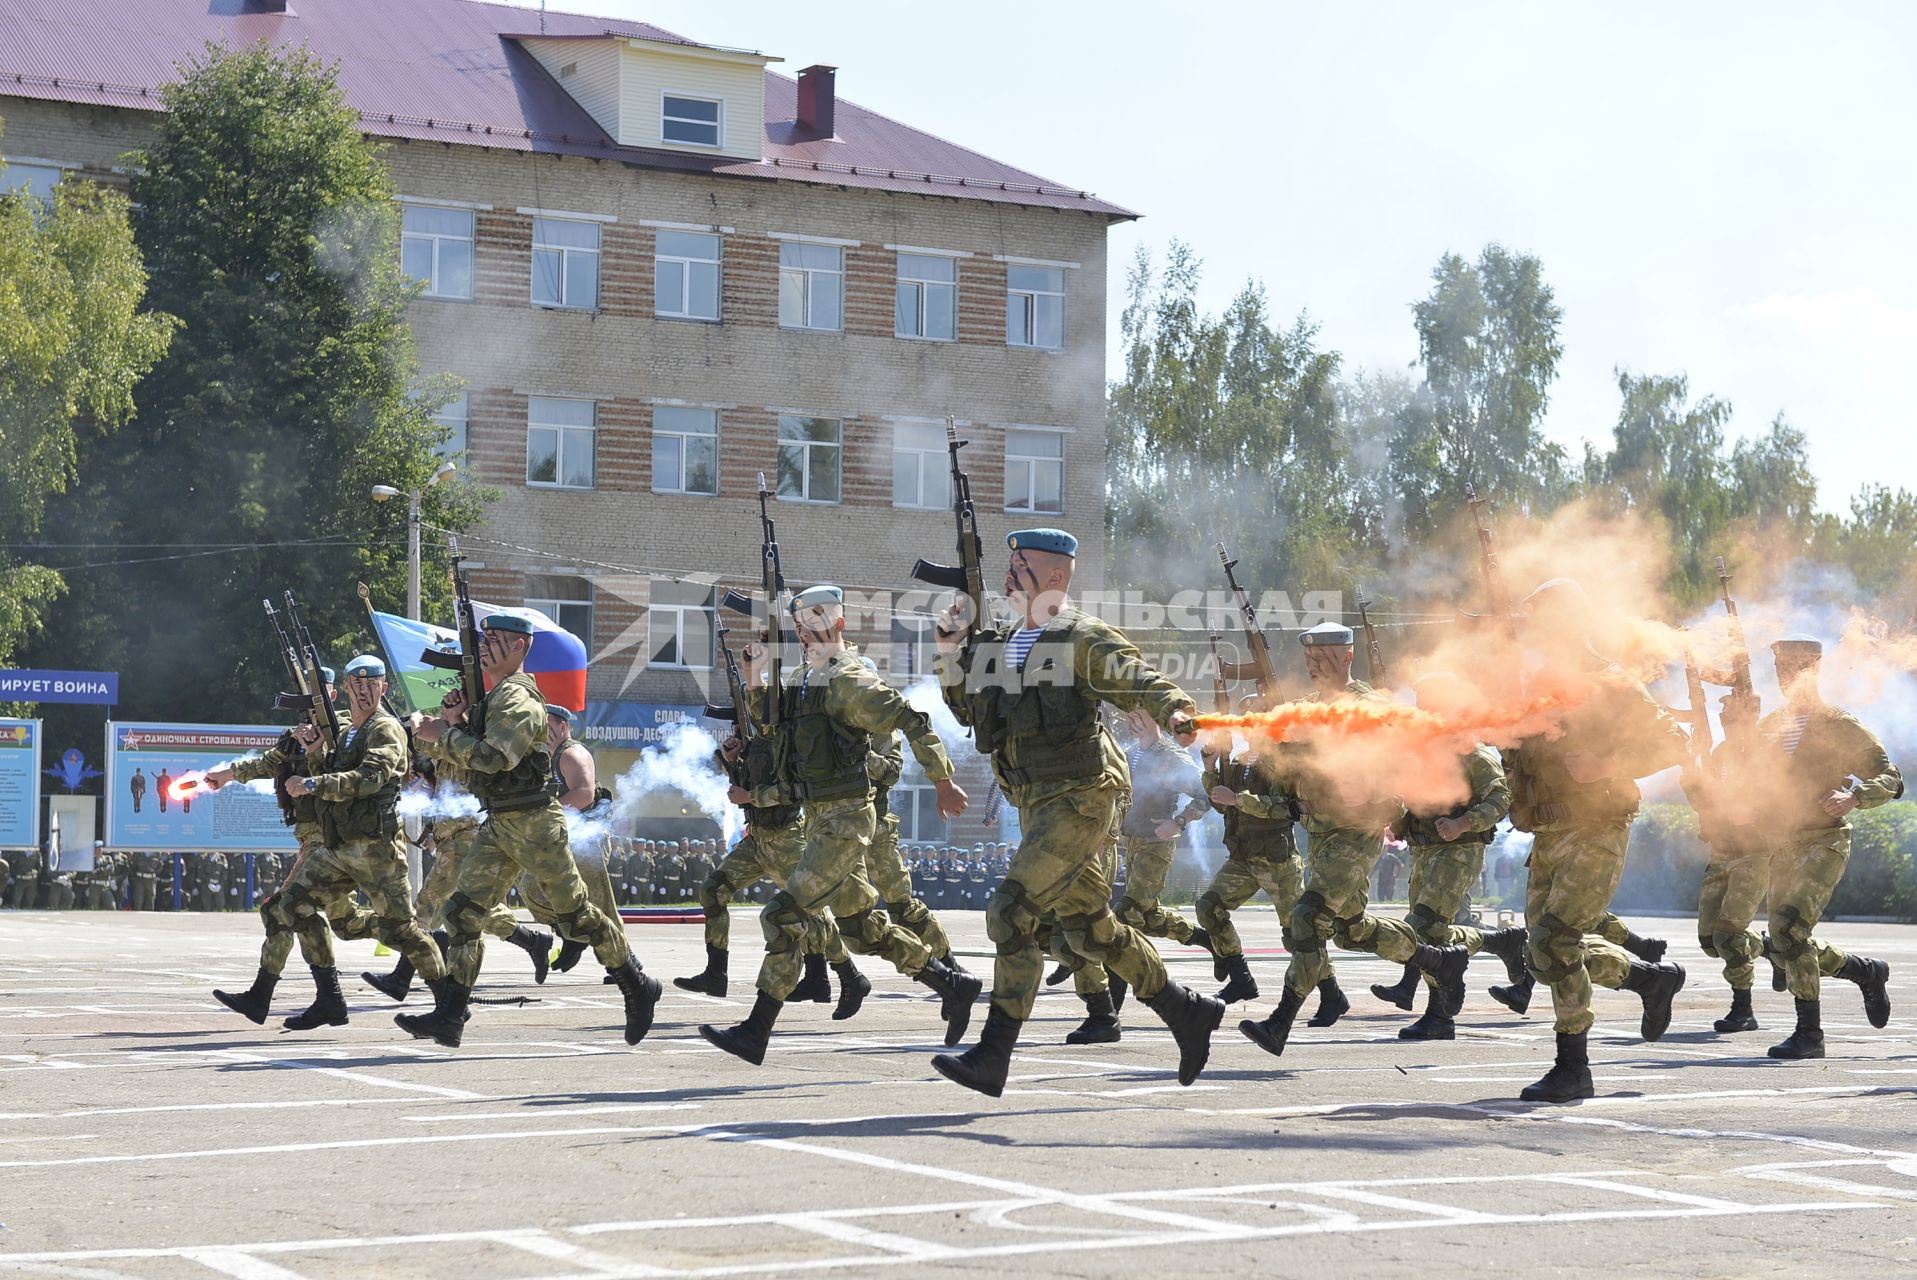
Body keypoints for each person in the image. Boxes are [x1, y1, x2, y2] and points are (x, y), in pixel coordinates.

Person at [929, 528, 1225, 1097]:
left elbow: (1135, 677)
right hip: (1038, 801)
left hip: (1083, 796)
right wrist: (949, 652)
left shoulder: (1078, 637)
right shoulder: (1005, 641)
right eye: (1010, 565)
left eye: (1024, 566)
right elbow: (969, 708)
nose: (1011, 574)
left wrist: (1177, 711)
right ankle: (1186, 1011)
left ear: (1058, 578)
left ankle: (994, 1054)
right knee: (1092, 930)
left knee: (1011, 911)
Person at [699, 585, 980, 1064]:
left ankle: (756, 1030)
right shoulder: (806, 679)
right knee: (862, 930)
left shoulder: (849, 679)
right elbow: (770, 732)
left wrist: (942, 781)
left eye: (816, 624)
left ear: (840, 624)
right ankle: (952, 984)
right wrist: (753, 676)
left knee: (781, 914)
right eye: (801, 626)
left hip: (847, 823)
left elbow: (912, 719)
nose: (806, 634)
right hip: (820, 821)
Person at [400, 615, 657, 1048]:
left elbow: (495, 757)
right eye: (484, 639)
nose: (484, 646)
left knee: (576, 916)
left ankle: (637, 983)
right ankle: (450, 1015)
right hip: (501, 820)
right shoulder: (495, 696)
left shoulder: (517, 698)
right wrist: (458, 720)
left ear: (520, 648)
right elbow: (474, 757)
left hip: (535, 823)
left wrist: (443, 734)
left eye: (495, 640)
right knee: (461, 914)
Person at [1497, 580, 1692, 1103]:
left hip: (1597, 829)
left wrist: (1610, 765)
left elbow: (1676, 740)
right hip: (1550, 835)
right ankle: (1648, 980)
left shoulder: (1613, 684)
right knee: (1544, 951)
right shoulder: (1538, 690)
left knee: (1556, 941)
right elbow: (1518, 761)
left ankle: (1573, 1066)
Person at [1239, 624, 1462, 1059]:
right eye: (1309, 655)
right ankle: (1438, 961)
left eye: (1322, 653)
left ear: (1346, 656)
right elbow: (1276, 760)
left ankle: (1280, 1021)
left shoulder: (1373, 705)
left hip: (1356, 831)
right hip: (1319, 832)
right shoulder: (1300, 708)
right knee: (1350, 930)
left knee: (1307, 916)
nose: (1313, 661)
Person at [212, 655, 448, 1031]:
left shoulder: (384, 728)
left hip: (376, 848)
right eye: (358, 683)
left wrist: (312, 782)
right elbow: (296, 765)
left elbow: (369, 779)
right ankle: (286, 997)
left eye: (373, 684)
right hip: (337, 847)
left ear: (383, 689)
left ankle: (449, 1007)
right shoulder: (341, 730)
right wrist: (313, 753)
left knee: (398, 931)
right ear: (348, 689)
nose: (364, 690)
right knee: (285, 910)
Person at [1753, 636, 1900, 1059]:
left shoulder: (1839, 724)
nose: (1785, 678)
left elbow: (1891, 777)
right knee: (1784, 939)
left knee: (1789, 930)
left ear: (1814, 670)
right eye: (1780, 670)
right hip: (1782, 842)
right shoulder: (1773, 725)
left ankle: (1810, 1034)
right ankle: (1865, 972)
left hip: (1824, 838)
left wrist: (1855, 797)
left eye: (1794, 669)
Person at [1366, 671, 1528, 1041]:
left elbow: (1500, 797)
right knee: (1434, 936)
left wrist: (1465, 823)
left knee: (1421, 928)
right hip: (1424, 853)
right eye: (1422, 700)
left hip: (1458, 851)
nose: (1425, 708)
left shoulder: (1470, 750)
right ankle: (1499, 944)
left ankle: (1439, 1012)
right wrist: (1399, 821)